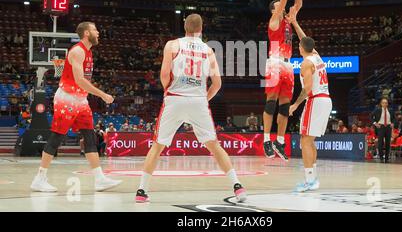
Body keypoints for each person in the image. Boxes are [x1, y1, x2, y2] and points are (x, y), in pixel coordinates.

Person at [135, 14, 247, 203]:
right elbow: (217, 83)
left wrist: (169, 91)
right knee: (214, 146)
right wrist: (203, 99)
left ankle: (141, 191)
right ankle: (237, 186)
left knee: (157, 146)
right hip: (198, 101)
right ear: (201, 29)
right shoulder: (208, 50)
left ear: (184, 27)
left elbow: (163, 75)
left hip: (175, 98)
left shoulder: (172, 45)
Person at [30, 21, 121, 192]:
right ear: (86, 33)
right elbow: (80, 80)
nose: (98, 32)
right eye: (95, 30)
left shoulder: (88, 52)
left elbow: (81, 83)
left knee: (89, 136)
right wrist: (102, 94)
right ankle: (39, 178)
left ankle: (99, 178)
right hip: (67, 99)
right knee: (57, 137)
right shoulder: (78, 51)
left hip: (81, 99)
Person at [263, 0, 307, 161]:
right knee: (270, 103)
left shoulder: (288, 21)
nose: (282, 7)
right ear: (274, 10)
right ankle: (266, 139)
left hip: (289, 65)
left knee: (284, 106)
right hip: (274, 61)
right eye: (278, 6)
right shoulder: (274, 21)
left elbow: (297, 4)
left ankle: (279, 142)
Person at [289, 17, 332, 193]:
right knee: (310, 140)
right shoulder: (316, 56)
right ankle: (313, 178)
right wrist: (294, 22)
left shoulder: (306, 63)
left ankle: (309, 181)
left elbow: (306, 89)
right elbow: (304, 38)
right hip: (326, 100)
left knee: (305, 141)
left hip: (315, 100)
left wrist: (294, 105)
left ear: (300, 49)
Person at [371, 98, 396, 163]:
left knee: (388, 143)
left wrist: (393, 123)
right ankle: (381, 157)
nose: (385, 104)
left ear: (387, 104)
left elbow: (394, 118)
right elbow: (371, 116)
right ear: (381, 104)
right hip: (380, 126)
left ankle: (387, 158)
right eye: (383, 103)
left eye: (386, 103)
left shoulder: (390, 110)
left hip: (388, 127)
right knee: (380, 143)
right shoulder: (377, 110)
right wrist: (375, 123)